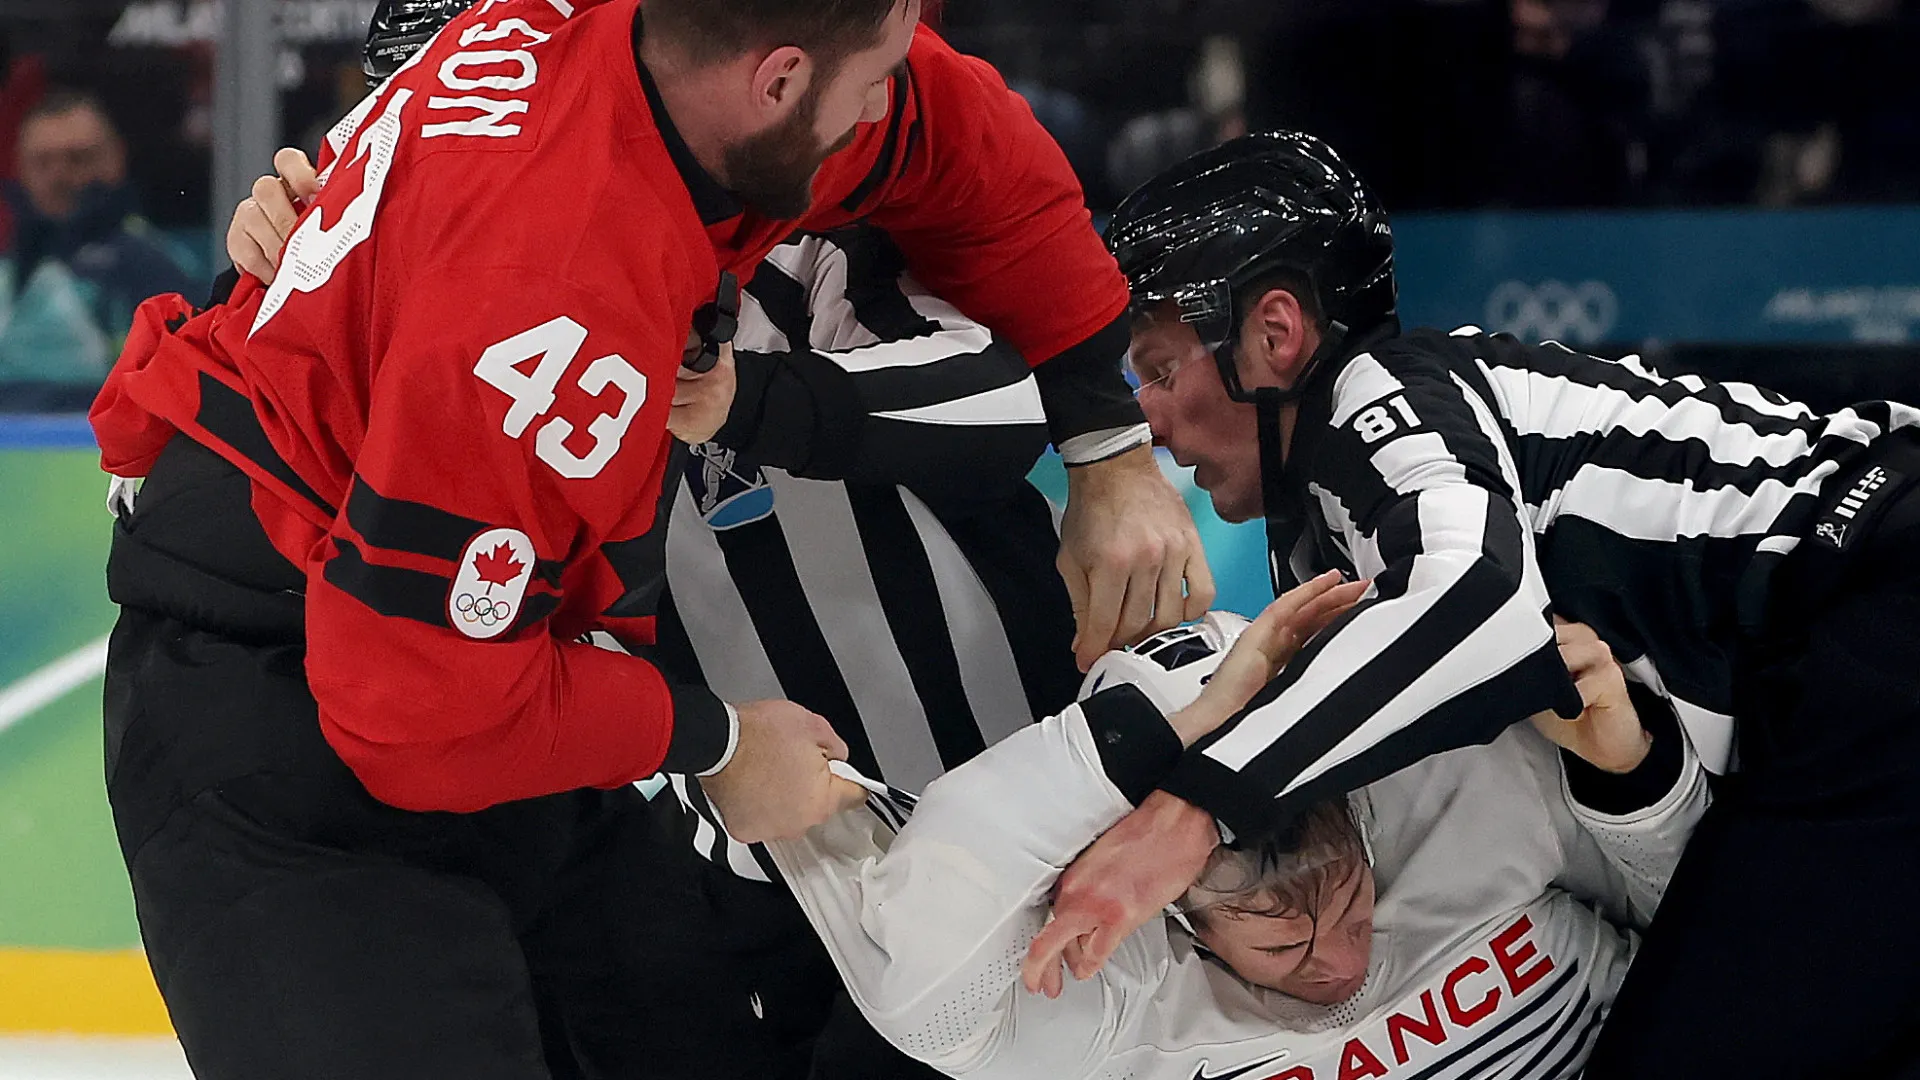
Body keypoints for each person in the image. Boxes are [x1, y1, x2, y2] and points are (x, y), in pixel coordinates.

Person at [86, 1, 1210, 1077]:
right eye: (871, 84)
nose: (885, 108)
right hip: (303, 722)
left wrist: (1107, 443)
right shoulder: (548, 297)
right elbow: (408, 702)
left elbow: (959, 135)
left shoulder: (662, 70)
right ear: (777, 80)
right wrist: (716, 742)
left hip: (489, 687)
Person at [1024, 130, 1920, 1079]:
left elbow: (1478, 598)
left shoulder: (1382, 395)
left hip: (1877, 598)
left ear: (1274, 335)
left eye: (1161, 371)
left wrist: (1191, 812)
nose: (1151, 421)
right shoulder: (1326, 537)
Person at [760, 580, 1708, 1080]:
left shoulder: (1464, 777)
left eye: (1353, 901)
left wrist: (1633, 770)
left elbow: (1704, 921)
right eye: (1283, 945)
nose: (1343, 959)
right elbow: (926, 999)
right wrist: (1168, 735)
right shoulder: (1110, 989)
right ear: (1177, 913)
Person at [1, 90, 193, 393]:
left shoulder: (156, 265)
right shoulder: (6, 272)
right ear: (20, 167)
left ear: (115, 158)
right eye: (42, 162)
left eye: (77, 159)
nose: (59, 176)